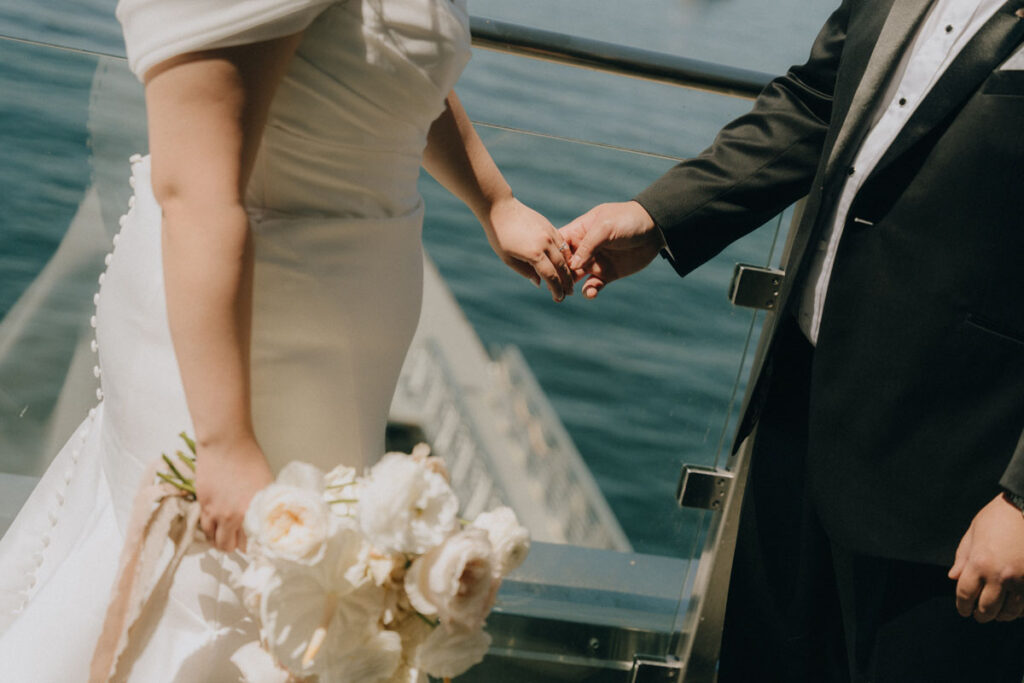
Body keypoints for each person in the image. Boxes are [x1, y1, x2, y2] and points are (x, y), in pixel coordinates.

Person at [0, 0, 573, 679]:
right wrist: (224, 440)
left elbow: (375, 65)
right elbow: (195, 188)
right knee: (215, 600)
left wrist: (494, 201)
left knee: (300, 595)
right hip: (247, 354)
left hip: (329, 356)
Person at [560, 0, 1024, 680]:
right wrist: (658, 216)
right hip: (797, 415)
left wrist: (1020, 498)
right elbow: (816, 100)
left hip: (954, 483)